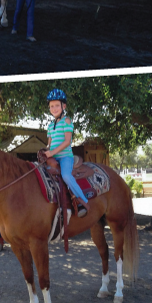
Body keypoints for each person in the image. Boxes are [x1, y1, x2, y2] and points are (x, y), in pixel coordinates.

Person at [44, 89, 90, 218]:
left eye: (57, 105)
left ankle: (83, 201)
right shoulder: (50, 126)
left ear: (63, 106)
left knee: (65, 176)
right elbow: (49, 143)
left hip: (65, 157)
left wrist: (52, 152)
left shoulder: (67, 121)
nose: (54, 108)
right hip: (53, 157)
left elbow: (67, 141)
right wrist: (45, 150)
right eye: (51, 106)